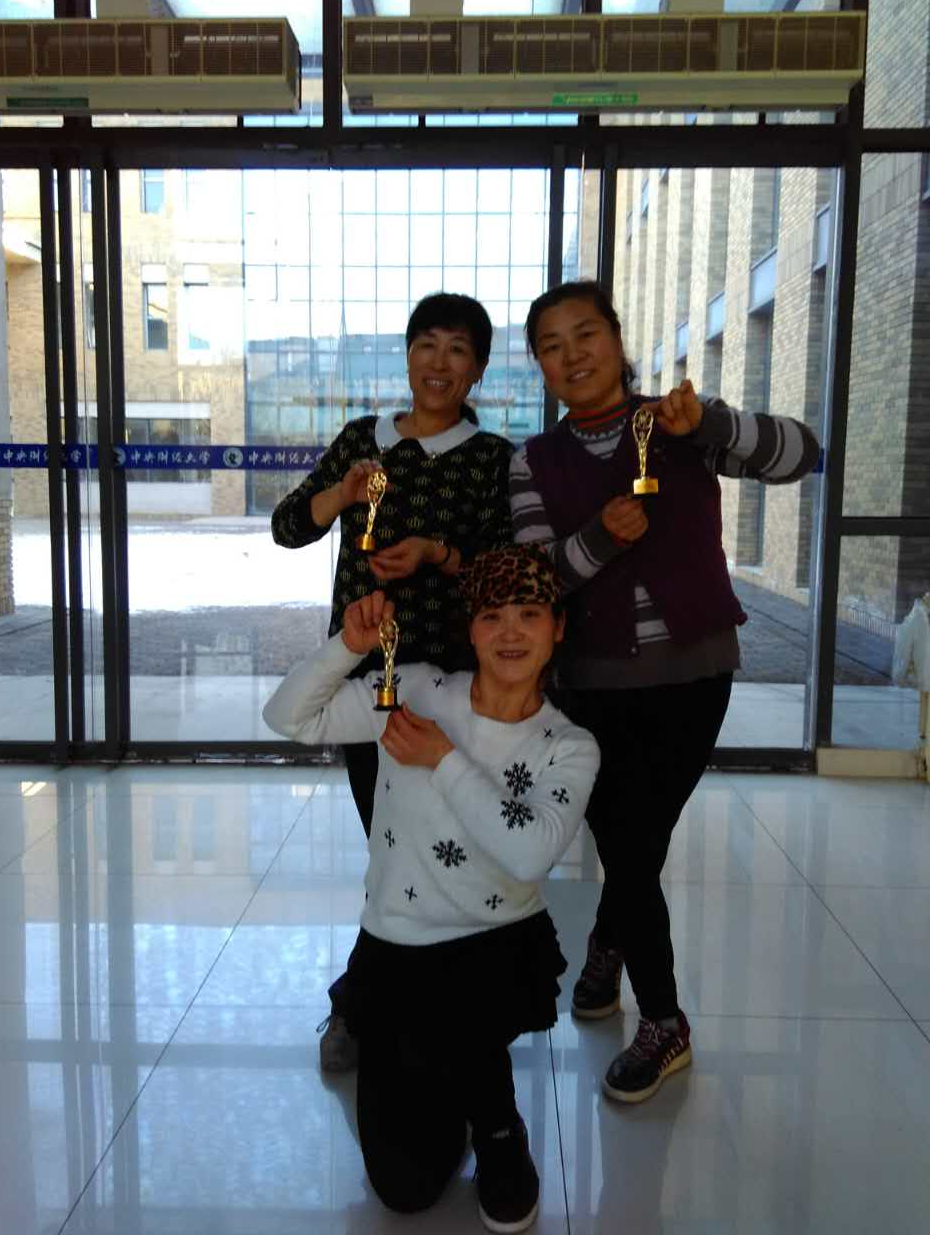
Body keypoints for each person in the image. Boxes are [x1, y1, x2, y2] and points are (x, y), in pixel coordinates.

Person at [513, 279, 820, 1105]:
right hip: (589, 687)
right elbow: (536, 579)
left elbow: (802, 453)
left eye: (585, 334)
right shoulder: (532, 461)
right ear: (540, 365)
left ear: (617, 340)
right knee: (632, 845)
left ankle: (654, 1008)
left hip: (693, 677)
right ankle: (624, 966)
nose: (572, 355)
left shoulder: (681, 425)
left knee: (633, 843)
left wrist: (714, 422)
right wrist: (598, 540)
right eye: (551, 346)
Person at [263, 545, 600, 1233]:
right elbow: (287, 717)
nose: (510, 632)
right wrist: (347, 647)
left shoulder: (569, 746)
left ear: (557, 627)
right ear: (470, 628)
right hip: (397, 946)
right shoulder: (413, 689)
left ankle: (498, 1124)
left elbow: (528, 852)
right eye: (492, 615)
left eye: (529, 614)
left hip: (491, 948)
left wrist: (441, 756)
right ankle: (453, 1083)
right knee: (403, 1189)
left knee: (469, 1035)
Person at [270, 293, 514, 1071]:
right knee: (387, 842)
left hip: (455, 682)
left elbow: (507, 573)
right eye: (426, 345)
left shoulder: (492, 457)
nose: (439, 363)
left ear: (478, 368)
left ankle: (407, 1000)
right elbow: (286, 527)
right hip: (364, 683)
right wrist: (342, 495)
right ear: (407, 356)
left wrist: (438, 554)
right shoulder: (361, 441)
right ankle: (371, 1001)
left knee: (447, 842)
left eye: (458, 349)